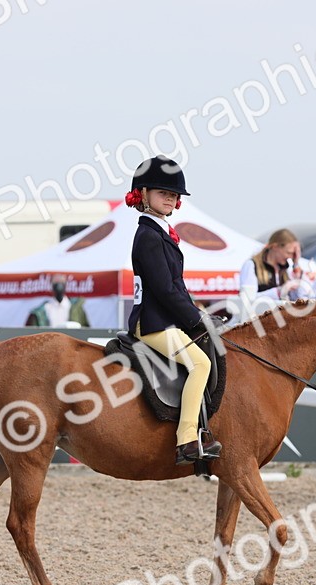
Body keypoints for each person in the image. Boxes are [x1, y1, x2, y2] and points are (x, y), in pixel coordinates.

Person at [126, 155, 224, 464]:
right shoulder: (148, 237)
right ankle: (186, 442)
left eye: (173, 194)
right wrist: (195, 319)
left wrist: (200, 312)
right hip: (153, 323)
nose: (169, 198)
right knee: (200, 365)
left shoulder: (163, 233)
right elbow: (165, 291)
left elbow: (177, 286)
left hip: (167, 320)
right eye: (162, 193)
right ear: (143, 195)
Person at [239, 229, 303, 303]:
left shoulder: (286, 268)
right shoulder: (252, 265)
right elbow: (247, 299)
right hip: (259, 313)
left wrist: (296, 264)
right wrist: (278, 292)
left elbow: (298, 298)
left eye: (294, 254)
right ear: (275, 247)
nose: (291, 257)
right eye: (288, 253)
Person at [25, 274, 89, 327]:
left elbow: (86, 329)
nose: (59, 287)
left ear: (65, 286)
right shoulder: (42, 310)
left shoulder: (77, 309)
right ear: (52, 286)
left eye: (61, 283)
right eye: (56, 284)